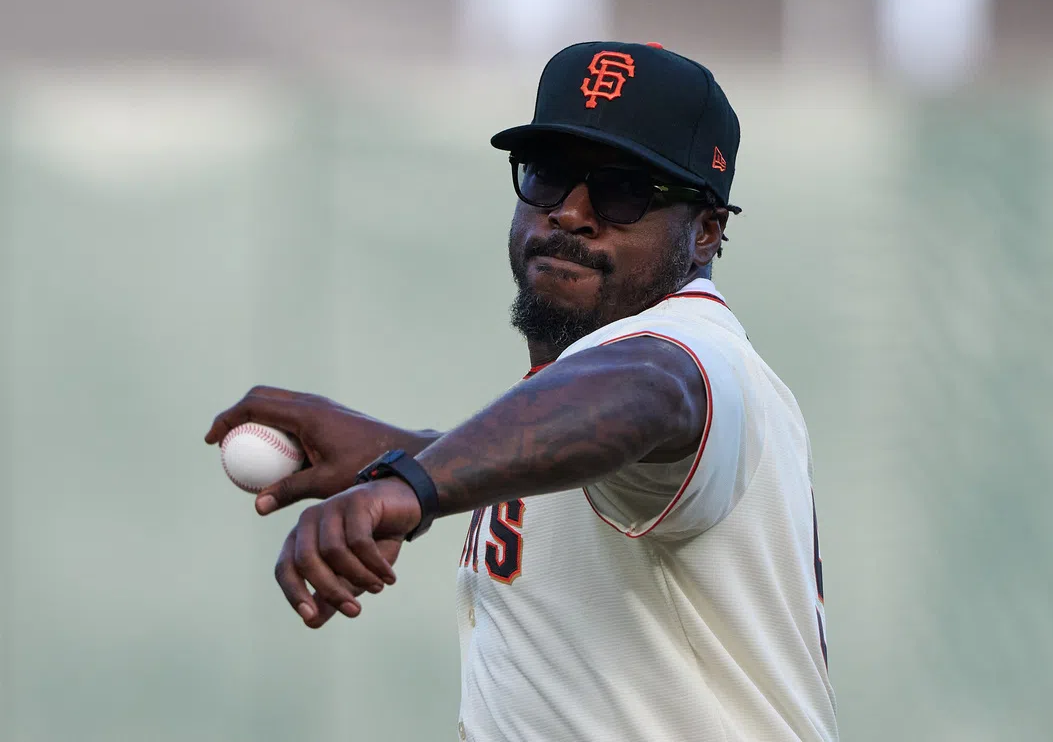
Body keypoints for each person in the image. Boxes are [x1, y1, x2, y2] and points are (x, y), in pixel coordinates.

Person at [205, 41, 839, 742]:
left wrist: (413, 483)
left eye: (623, 190)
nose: (571, 212)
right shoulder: (584, 415)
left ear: (706, 233)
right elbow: (588, 444)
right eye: (550, 174)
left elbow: (649, 390)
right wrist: (405, 450)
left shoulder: (697, 351)